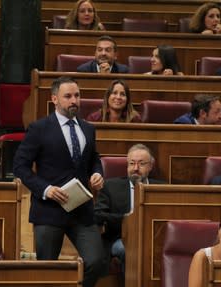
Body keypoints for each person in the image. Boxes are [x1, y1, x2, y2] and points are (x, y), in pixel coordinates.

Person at [13, 76, 104, 287]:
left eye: (77, 95)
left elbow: (94, 160)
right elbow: (19, 166)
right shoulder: (39, 128)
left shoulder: (88, 129)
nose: (74, 101)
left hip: (81, 210)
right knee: (47, 271)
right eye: (68, 96)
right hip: (49, 210)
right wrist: (45, 189)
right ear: (55, 99)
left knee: (95, 261)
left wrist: (97, 173)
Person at [94, 144, 164, 280]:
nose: (135, 168)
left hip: (154, 239)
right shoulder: (111, 186)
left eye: (141, 164)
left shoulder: (162, 188)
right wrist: (127, 219)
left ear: (151, 166)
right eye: (132, 163)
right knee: (130, 251)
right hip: (120, 238)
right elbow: (98, 215)